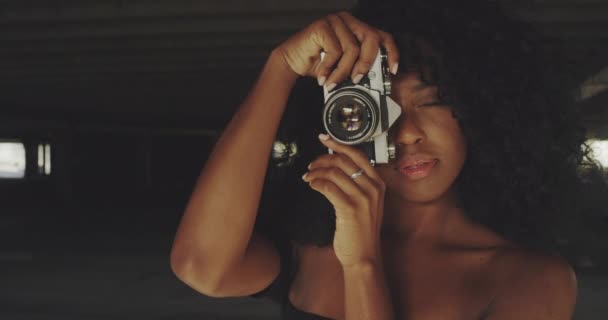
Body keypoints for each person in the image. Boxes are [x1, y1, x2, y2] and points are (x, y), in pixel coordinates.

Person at [170, 0, 598, 319]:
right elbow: (202, 267)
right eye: (376, 110)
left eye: (431, 101)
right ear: (343, 125)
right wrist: (280, 67)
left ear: (481, 113)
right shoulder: (310, 246)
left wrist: (362, 266)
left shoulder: (529, 279)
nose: (407, 132)